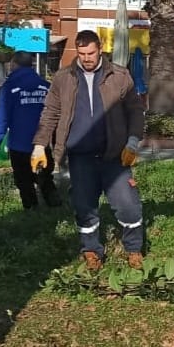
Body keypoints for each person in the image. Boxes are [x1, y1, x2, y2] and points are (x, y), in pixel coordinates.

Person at [32, 31, 146, 271]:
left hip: (114, 156)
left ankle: (134, 249)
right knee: (84, 207)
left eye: (91, 53)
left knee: (128, 205)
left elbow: (135, 111)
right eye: (82, 54)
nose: (87, 58)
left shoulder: (119, 76)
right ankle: (91, 251)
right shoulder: (64, 79)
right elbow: (50, 113)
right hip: (80, 156)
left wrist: (133, 142)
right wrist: (39, 146)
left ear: (100, 48)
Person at [0, 51, 60, 210]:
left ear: (14, 65)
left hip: (19, 145)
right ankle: (56, 209)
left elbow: (3, 117)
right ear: (31, 65)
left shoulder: (9, 88)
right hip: (43, 145)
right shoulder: (46, 87)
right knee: (45, 178)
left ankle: (31, 213)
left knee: (24, 181)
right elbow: (57, 114)